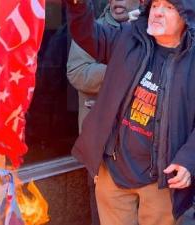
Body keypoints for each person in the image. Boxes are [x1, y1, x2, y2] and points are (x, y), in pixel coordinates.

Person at [64, 0, 195, 224]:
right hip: (113, 172)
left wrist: (188, 160)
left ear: (186, 16)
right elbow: (87, 34)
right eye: (155, 6)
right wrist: (78, 6)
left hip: (161, 179)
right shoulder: (128, 40)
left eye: (169, 7)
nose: (158, 13)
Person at [66, 1, 140, 224]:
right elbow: (77, 72)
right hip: (103, 147)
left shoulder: (154, 29)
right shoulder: (94, 29)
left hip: (142, 149)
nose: (117, 2)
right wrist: (124, 70)